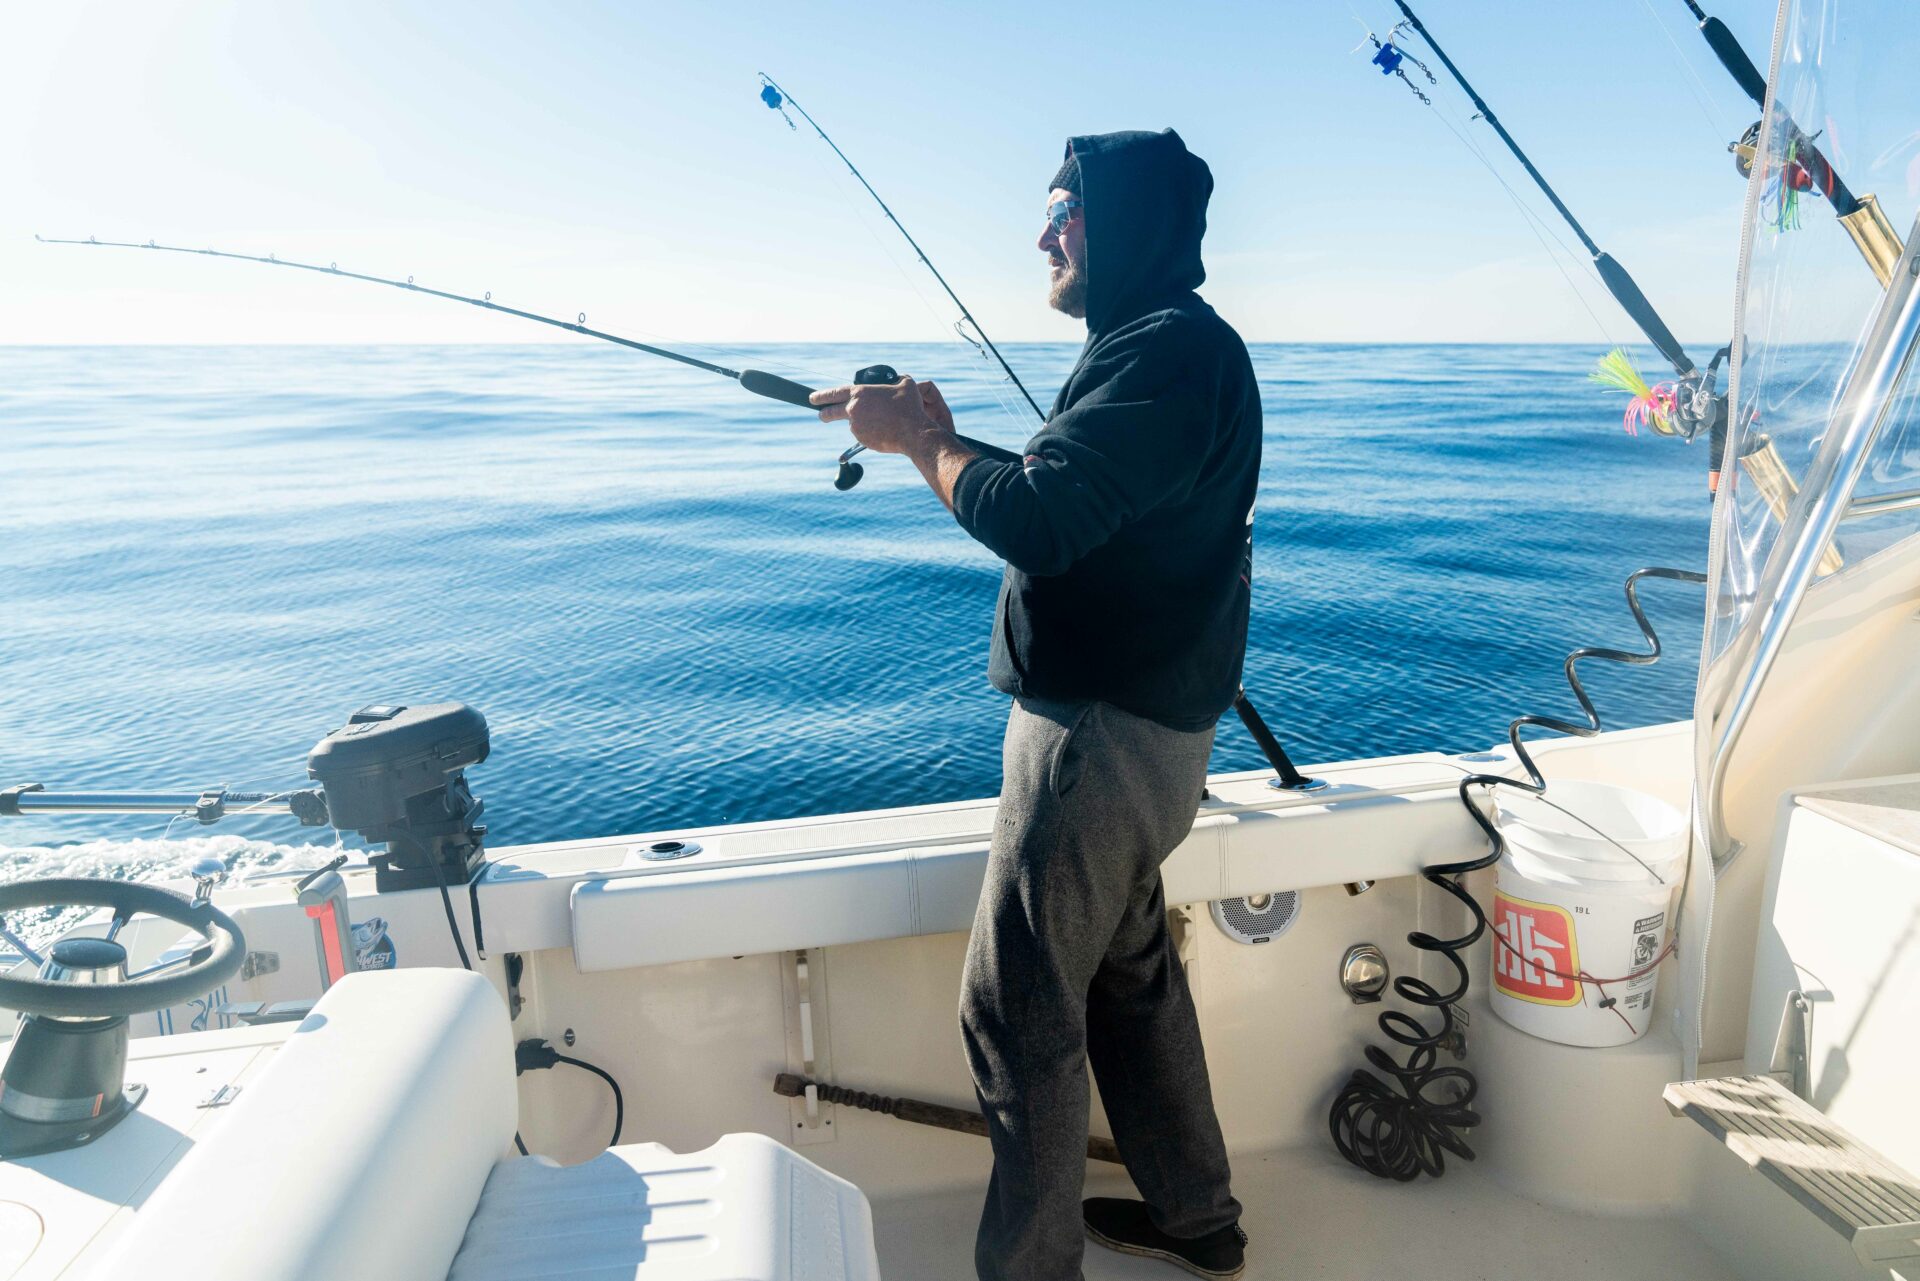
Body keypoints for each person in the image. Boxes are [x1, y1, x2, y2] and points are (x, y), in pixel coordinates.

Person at [810, 128, 1259, 1281]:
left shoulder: (1160, 354)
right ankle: (1198, 1218)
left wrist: (920, 440)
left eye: (1066, 208)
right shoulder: (1178, 350)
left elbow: (1043, 522)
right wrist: (939, 437)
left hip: (1096, 742)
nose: (1044, 232)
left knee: (1018, 1013)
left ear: (1131, 225)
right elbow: (1083, 499)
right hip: (1157, 736)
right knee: (1129, 974)